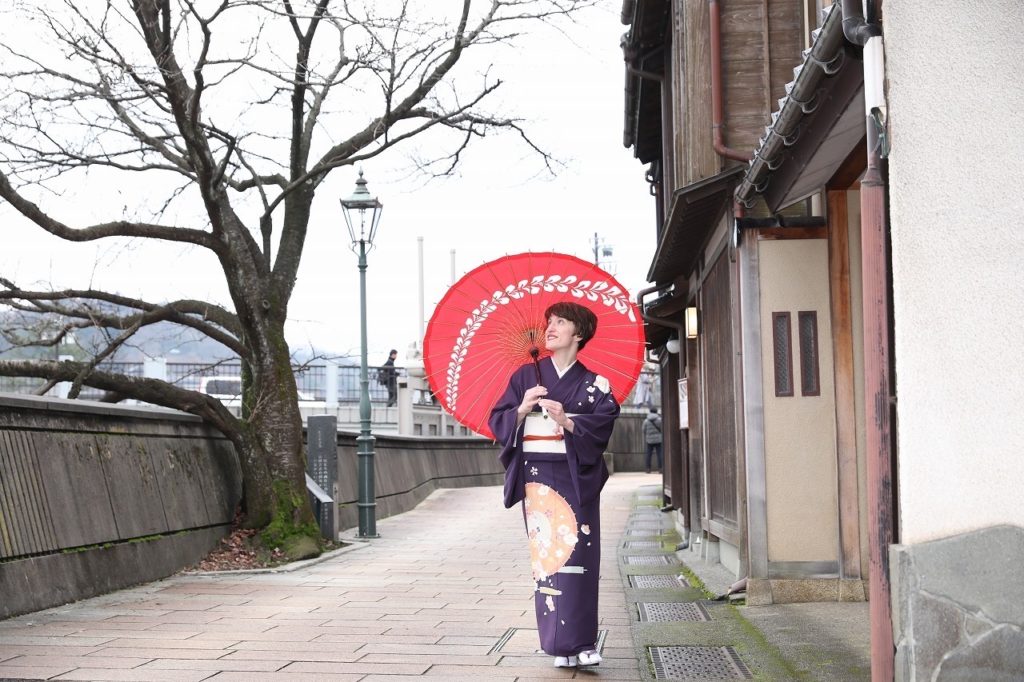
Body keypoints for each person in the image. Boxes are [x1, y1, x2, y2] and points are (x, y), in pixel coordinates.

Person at [489, 301, 620, 670]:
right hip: (539, 479)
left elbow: (604, 424)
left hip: (576, 475)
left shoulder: (596, 383)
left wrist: (568, 420)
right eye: (550, 321)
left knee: (580, 556)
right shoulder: (524, 377)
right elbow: (498, 420)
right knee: (548, 557)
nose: (550, 327)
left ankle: (583, 641)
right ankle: (557, 644)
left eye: (560, 322)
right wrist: (521, 407)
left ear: (579, 333)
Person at [642, 407, 663, 474]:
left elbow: (643, 430)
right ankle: (661, 468)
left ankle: (648, 469)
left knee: (648, 454)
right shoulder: (659, 420)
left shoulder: (646, 421)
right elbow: (662, 428)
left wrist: (648, 435)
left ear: (650, 412)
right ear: (656, 412)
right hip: (658, 440)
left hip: (649, 440)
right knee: (659, 454)